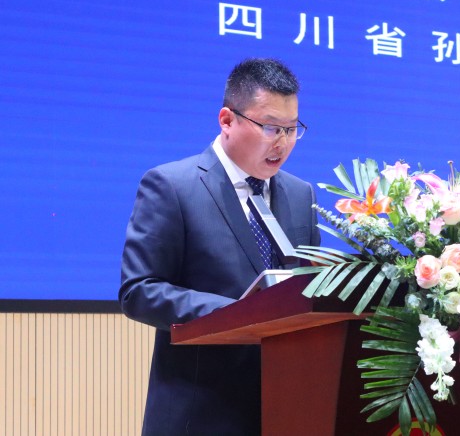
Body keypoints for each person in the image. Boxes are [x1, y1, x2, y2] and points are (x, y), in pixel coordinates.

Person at [119, 58, 320, 435]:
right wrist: (239, 314)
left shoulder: (300, 194)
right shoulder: (172, 186)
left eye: (292, 129)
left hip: (287, 408)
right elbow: (139, 291)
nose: (282, 143)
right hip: (201, 412)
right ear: (227, 120)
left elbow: (306, 289)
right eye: (270, 128)